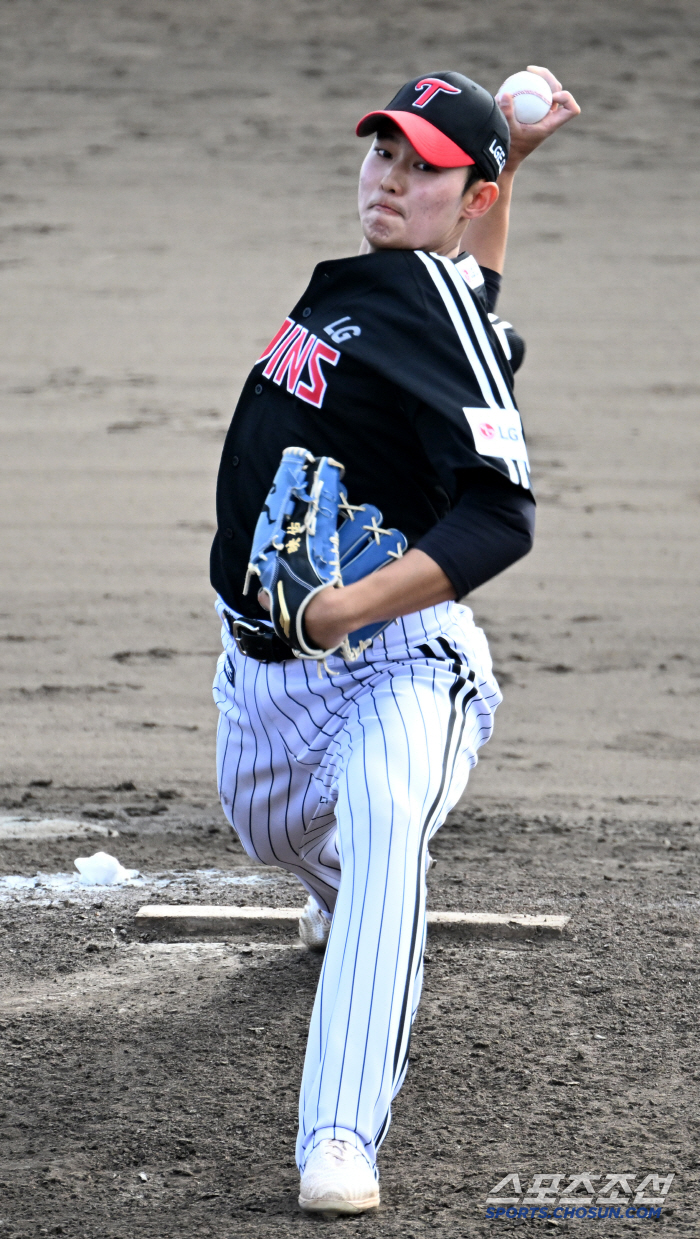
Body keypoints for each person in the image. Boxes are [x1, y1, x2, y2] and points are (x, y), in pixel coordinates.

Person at [210, 66, 579, 1214]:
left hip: (402, 662)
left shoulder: (429, 300)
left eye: (423, 166)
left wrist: (339, 612)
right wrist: (505, 153)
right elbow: (478, 272)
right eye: (384, 153)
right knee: (268, 831)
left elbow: (499, 515)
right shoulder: (407, 287)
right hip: (261, 681)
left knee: (382, 837)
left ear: (460, 193)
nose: (391, 176)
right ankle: (342, 893)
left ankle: (339, 1138)